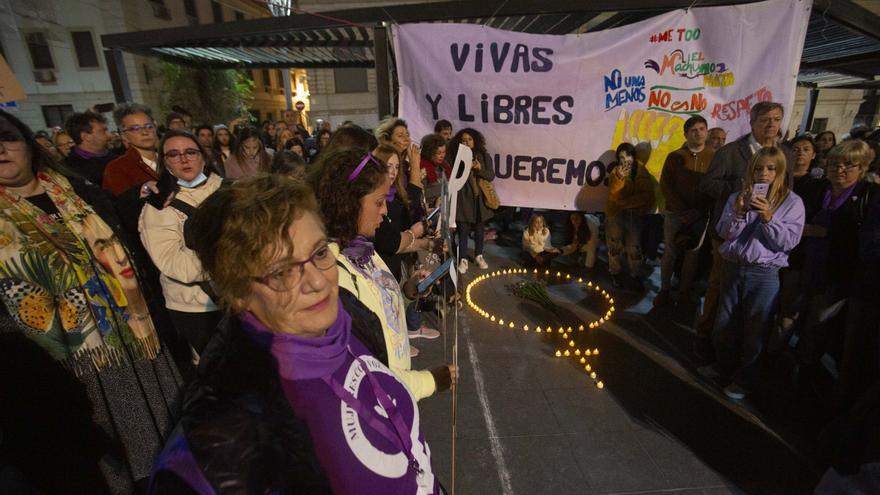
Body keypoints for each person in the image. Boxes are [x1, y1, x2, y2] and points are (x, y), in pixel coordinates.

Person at [149, 175, 447, 494]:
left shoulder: (342, 317)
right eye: (281, 272)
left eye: (319, 253)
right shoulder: (215, 446)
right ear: (236, 292)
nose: (317, 282)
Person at [0, 109, 180, 494]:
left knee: (165, 449)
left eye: (7, 137)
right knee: (110, 469)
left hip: (136, 345)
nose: (1, 149)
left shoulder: (80, 193)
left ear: (27, 142)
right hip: (68, 367)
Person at [309, 146, 455, 400]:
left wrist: (408, 292)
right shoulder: (332, 275)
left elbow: (377, 312)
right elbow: (366, 374)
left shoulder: (363, 249)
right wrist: (430, 381)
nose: (385, 211)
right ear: (348, 204)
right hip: (381, 403)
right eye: (378, 202)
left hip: (399, 393)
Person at [701, 147, 805, 400]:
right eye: (759, 168)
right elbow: (724, 231)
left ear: (780, 172)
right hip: (734, 267)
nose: (764, 174)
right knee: (724, 324)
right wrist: (739, 213)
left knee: (755, 330)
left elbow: (788, 241)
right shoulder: (738, 196)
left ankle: (745, 379)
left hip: (764, 273)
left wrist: (769, 218)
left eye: (771, 169)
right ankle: (724, 367)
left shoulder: (792, 202)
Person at [696, 101, 793, 359]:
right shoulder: (730, 152)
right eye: (765, 119)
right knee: (719, 289)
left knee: (752, 305)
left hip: (765, 242)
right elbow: (708, 184)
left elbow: (787, 191)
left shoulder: (785, 155)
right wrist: (741, 196)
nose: (771, 124)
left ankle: (740, 349)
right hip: (732, 234)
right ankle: (706, 337)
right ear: (752, 122)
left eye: (776, 119)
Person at [795, 140, 879, 394]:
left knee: (818, 323)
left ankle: (807, 372)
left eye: (847, 165)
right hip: (804, 265)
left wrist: (827, 232)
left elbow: (869, 238)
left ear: (862, 167)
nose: (839, 169)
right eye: (833, 163)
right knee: (795, 316)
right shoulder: (818, 188)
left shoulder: (869, 196)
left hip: (838, 275)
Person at [139, 130, 224, 357]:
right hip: (196, 306)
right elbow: (171, 261)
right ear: (164, 162)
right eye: (174, 154)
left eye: (190, 152)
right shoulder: (158, 205)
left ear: (203, 156)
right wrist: (228, 259)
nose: (184, 159)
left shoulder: (230, 190)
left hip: (241, 297)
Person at [371, 144, 439, 345]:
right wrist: (415, 234)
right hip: (379, 272)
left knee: (407, 295)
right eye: (387, 166)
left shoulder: (393, 195)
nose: (392, 172)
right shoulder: (371, 200)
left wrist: (426, 244)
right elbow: (392, 243)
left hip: (392, 271)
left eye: (396, 167)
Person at [656, 115, 714, 306]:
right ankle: (664, 289)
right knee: (670, 252)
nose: (698, 133)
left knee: (692, 254)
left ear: (706, 131)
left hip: (700, 215)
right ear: (686, 134)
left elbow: (714, 187)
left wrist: (698, 211)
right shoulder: (675, 157)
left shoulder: (714, 157)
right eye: (693, 130)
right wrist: (682, 211)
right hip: (675, 214)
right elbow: (666, 185)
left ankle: (684, 292)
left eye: (701, 129)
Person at [606, 142, 655, 287]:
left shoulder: (641, 172)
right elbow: (613, 197)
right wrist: (619, 180)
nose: (624, 161)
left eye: (627, 156)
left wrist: (626, 202)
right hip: (615, 214)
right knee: (615, 245)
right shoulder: (616, 173)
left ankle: (636, 274)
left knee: (634, 247)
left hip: (634, 215)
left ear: (633, 157)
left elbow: (646, 196)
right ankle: (615, 272)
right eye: (621, 158)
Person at [449, 128, 495, 273]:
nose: (467, 142)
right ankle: (463, 258)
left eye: (469, 139)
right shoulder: (456, 156)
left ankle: (478, 255)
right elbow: (453, 177)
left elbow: (491, 176)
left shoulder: (484, 156)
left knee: (480, 227)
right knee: (463, 228)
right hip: (463, 198)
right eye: (463, 140)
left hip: (480, 199)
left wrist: (479, 168)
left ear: (475, 140)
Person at [103, 103, 160, 195]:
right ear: (124, 136)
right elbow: (120, 204)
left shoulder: (170, 158)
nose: (145, 132)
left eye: (149, 126)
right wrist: (144, 190)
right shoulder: (117, 168)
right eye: (135, 128)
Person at [376, 118, 423, 216]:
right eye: (400, 136)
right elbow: (408, 203)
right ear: (387, 140)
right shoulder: (381, 165)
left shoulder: (405, 166)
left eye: (407, 135)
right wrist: (415, 166)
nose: (407, 139)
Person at [63, 111, 116, 185]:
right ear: (86, 137)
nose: (110, 135)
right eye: (103, 131)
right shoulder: (68, 171)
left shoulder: (117, 159)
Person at [420, 133, 450, 207]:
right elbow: (420, 192)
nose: (442, 156)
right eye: (439, 153)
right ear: (429, 153)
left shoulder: (445, 166)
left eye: (444, 152)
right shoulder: (422, 168)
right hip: (430, 209)